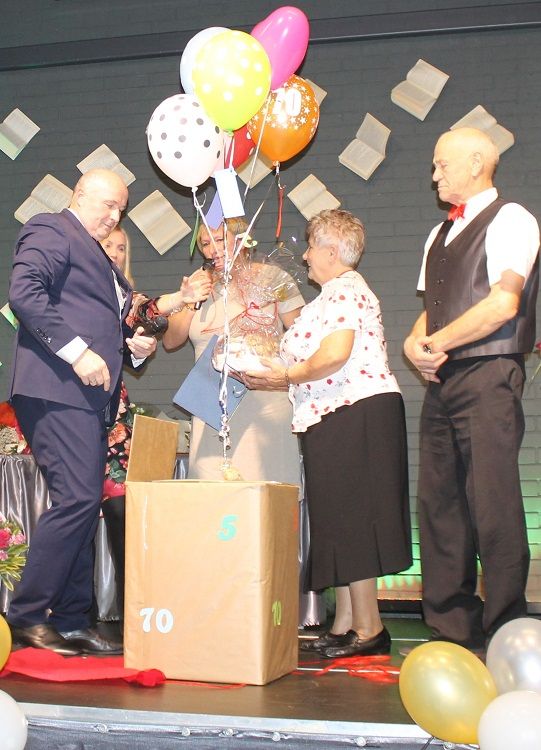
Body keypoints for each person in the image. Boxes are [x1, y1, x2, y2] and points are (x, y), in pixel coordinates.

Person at [245, 209, 412, 657]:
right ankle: (345, 623)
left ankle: (370, 628)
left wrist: (284, 376)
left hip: (356, 409)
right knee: (338, 518)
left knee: (353, 517)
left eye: (311, 246)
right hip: (333, 413)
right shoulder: (327, 298)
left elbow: (335, 354)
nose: (305, 255)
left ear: (332, 251)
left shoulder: (345, 290)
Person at [7, 168, 158, 656]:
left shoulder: (98, 255)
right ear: (79, 195)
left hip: (87, 397)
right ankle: (26, 616)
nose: (114, 216)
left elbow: (97, 321)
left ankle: (73, 619)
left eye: (121, 209)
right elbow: (24, 292)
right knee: (77, 499)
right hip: (57, 388)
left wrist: (131, 348)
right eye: (108, 204)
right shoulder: (53, 228)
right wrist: (77, 352)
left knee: (82, 502)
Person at [403, 127, 540, 654]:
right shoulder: (438, 234)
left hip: (489, 375)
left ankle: (505, 631)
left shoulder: (511, 219)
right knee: (439, 503)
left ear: (477, 163)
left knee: (492, 502)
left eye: (442, 164)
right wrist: (415, 343)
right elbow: (432, 311)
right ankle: (452, 630)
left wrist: (436, 343)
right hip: (444, 381)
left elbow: (504, 303)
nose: (434, 174)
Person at [99, 225, 210, 618]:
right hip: (72, 414)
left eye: (121, 247)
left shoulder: (127, 298)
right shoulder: (75, 290)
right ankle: (73, 615)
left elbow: (148, 317)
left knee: (122, 512)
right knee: (75, 512)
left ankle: (131, 611)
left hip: (114, 419)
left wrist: (141, 350)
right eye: (107, 244)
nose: (115, 252)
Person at [162, 216, 304, 484]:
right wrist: (190, 300)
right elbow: (171, 341)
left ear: (241, 240)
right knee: (212, 488)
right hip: (212, 404)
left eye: (219, 240)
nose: (211, 250)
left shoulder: (273, 277)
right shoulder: (199, 286)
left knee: (267, 489)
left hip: (264, 403)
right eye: (205, 243)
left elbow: (303, 336)